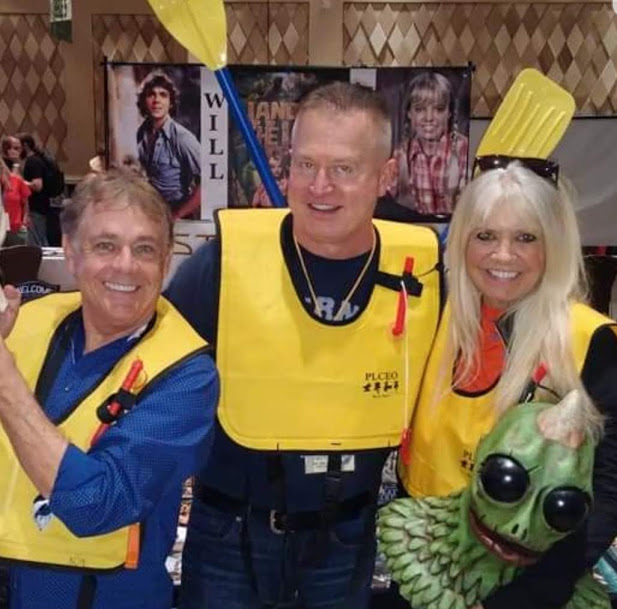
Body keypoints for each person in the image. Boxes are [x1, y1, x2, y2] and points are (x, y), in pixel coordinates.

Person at [165, 82, 442, 609]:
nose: (319, 186)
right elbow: (152, 381)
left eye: (344, 169)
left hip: (346, 542)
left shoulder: (425, 272)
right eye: (306, 164)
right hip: (229, 536)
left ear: (385, 175)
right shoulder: (222, 263)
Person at [398, 156, 617, 609]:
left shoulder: (588, 341)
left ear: (553, 245)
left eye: (525, 238)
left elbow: (608, 488)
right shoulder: (434, 318)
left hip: (524, 582)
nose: (502, 255)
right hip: (422, 569)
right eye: (485, 236)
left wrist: (525, 598)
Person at [0, 169, 219, 609]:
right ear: (70, 252)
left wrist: (5, 383)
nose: (125, 265)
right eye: (105, 245)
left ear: (166, 261)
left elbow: (96, 504)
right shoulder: (22, 323)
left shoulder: (188, 376)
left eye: (145, 249)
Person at [389, 71, 468, 216]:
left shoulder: (463, 149)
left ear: (449, 113)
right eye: (420, 109)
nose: (429, 118)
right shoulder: (401, 154)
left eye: (438, 109)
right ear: (409, 113)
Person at [136, 71, 201, 219]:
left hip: (178, 215)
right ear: (144, 101)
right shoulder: (141, 133)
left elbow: (208, 182)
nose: (156, 100)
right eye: (151, 94)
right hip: (151, 212)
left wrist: (177, 215)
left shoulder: (182, 137)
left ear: (171, 103)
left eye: (163, 95)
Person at [17, 133, 51, 246]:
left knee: (37, 240)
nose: (17, 151)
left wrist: (19, 181)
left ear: (25, 146)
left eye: (18, 148)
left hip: (36, 206)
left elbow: (37, 185)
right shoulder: (36, 160)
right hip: (39, 206)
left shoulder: (33, 162)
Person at [1, 136, 30, 246]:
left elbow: (24, 200)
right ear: (6, 149)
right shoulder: (8, 165)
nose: (19, 151)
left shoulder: (15, 174)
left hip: (14, 225)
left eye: (19, 148)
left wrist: (24, 221)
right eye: (16, 148)